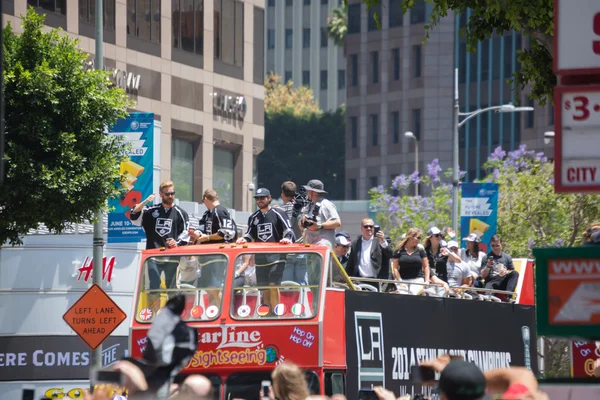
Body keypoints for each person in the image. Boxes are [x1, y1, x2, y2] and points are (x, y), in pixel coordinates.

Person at [129, 181, 190, 311]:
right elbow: (133, 216)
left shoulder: (181, 213)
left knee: (171, 288)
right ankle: (154, 316)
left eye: (173, 193)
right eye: (167, 194)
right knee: (154, 287)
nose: (171, 196)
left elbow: (186, 235)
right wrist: (145, 202)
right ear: (161, 194)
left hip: (172, 256)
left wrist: (176, 243)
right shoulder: (151, 211)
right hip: (153, 256)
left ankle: (171, 317)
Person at [237, 188, 295, 311]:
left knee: (273, 285)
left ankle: (276, 313)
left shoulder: (278, 213)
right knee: (264, 288)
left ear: (269, 198)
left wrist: (287, 239)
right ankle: (268, 313)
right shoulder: (253, 217)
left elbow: (289, 230)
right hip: (261, 257)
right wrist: (244, 240)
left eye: (262, 198)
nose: (260, 201)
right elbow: (249, 234)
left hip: (277, 257)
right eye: (257, 198)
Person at [346, 218, 393, 288]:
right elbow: (351, 264)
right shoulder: (356, 243)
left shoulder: (381, 240)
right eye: (366, 226)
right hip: (359, 281)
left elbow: (390, 254)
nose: (369, 228)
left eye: (371, 226)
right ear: (361, 228)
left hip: (378, 281)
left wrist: (383, 242)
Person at [298, 179, 341, 248]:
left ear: (315, 192)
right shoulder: (308, 206)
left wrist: (318, 226)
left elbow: (337, 223)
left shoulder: (326, 204)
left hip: (322, 248)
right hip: (310, 247)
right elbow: (302, 227)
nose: (306, 192)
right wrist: (303, 222)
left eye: (309, 190)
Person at [392, 227, 430, 295]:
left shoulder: (420, 250)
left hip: (418, 280)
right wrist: (400, 281)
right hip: (403, 280)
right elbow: (395, 268)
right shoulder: (398, 251)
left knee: (412, 293)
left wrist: (426, 280)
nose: (419, 240)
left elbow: (426, 266)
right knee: (402, 294)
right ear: (411, 237)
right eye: (418, 237)